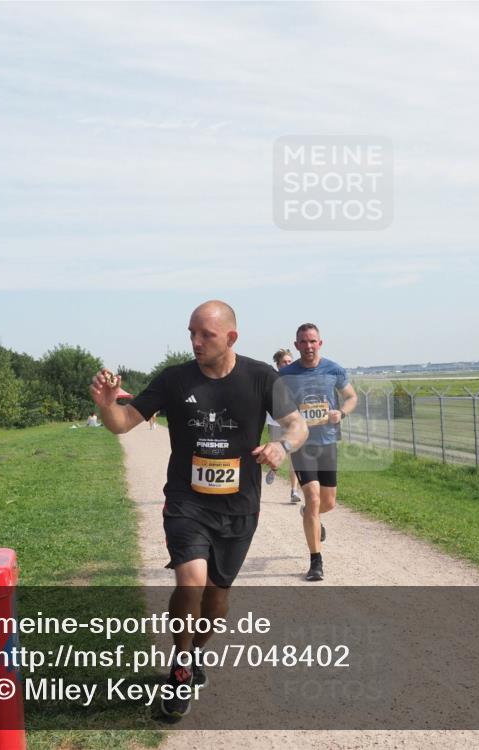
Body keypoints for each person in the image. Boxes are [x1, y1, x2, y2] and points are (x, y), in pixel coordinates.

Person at [89, 300, 307, 720]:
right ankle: (181, 668)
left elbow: (298, 425)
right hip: (187, 501)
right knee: (191, 582)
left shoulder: (262, 376)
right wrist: (104, 403)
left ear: (231, 337)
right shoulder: (174, 379)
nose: (195, 341)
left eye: (205, 334)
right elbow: (121, 423)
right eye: (191, 332)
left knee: (216, 601)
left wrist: (282, 445)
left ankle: (193, 651)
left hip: (240, 507)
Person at [278, 323, 357, 582]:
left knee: (328, 503)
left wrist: (341, 412)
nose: (309, 346)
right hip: (302, 444)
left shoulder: (334, 369)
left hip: (328, 441)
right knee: (312, 498)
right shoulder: (286, 374)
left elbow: (351, 397)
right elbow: (278, 405)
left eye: (313, 341)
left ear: (320, 343)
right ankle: (316, 562)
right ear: (297, 345)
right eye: (304, 342)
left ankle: (308, 515)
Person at [267, 348, 303, 503]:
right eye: (284, 362)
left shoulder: (296, 380)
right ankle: (274, 469)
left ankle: (294, 491)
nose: (288, 364)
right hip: (274, 422)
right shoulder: (272, 379)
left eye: (290, 361)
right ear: (278, 364)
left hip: (292, 424)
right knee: (277, 453)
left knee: (293, 457)